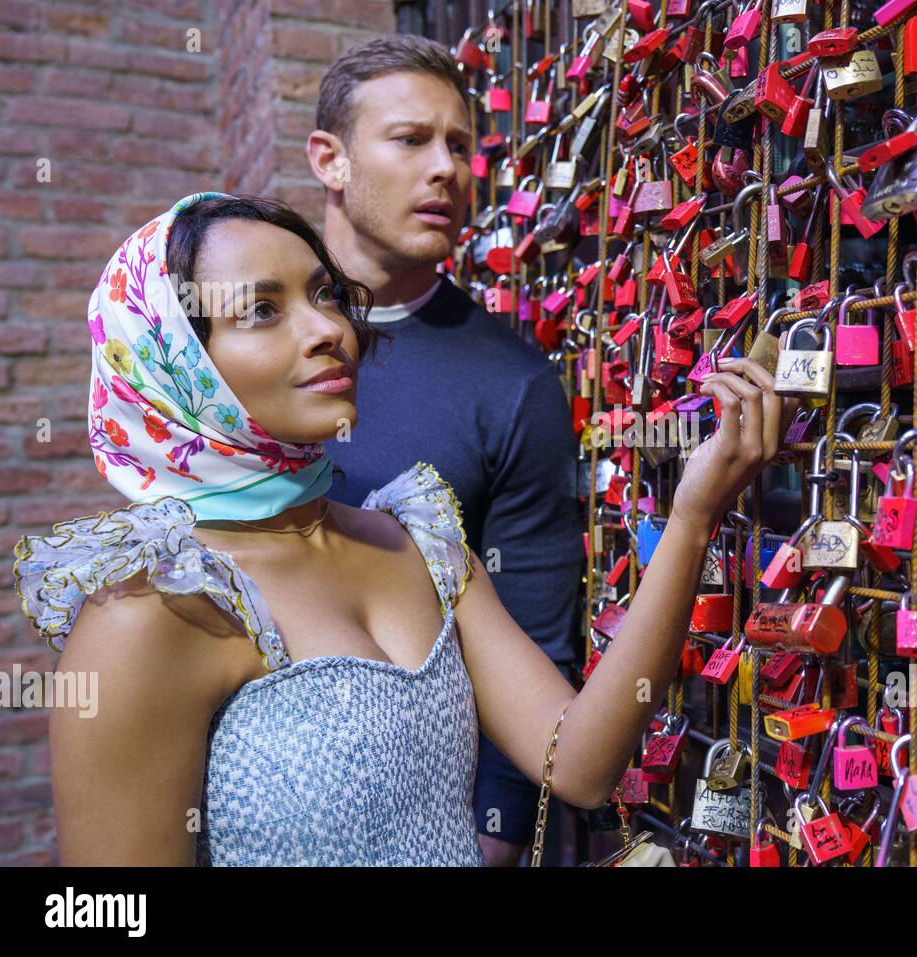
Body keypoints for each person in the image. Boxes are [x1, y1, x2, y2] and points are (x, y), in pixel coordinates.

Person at [13, 192, 791, 866]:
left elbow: (580, 762)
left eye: (324, 294)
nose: (326, 329)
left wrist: (693, 516)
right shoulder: (153, 608)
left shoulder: (417, 537)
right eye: (261, 310)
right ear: (174, 364)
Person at [304, 34, 582, 865]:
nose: (448, 169)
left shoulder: (514, 384)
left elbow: (534, 644)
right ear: (331, 160)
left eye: (461, 145)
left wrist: (491, 838)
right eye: (411, 139)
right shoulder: (241, 341)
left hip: (423, 821)